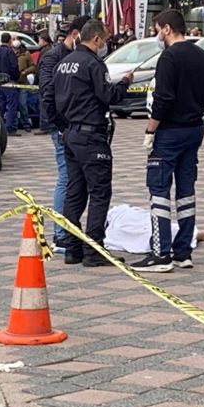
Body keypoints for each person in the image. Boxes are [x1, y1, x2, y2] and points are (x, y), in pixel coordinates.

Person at [130, 9, 204, 272]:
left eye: (157, 30)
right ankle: (183, 252)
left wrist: (150, 130)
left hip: (169, 132)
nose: (157, 35)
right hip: (194, 129)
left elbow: (163, 98)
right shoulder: (203, 55)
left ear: (167, 29)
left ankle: (161, 254)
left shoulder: (168, 57)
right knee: (186, 190)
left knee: (159, 189)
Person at [50, 20, 133, 266]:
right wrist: (125, 82)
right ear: (96, 39)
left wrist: (62, 127)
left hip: (70, 135)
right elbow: (108, 96)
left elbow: (50, 99)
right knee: (99, 192)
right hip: (91, 135)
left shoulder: (63, 64)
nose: (105, 44)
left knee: (75, 192)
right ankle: (94, 249)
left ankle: (72, 247)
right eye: (104, 40)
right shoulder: (93, 63)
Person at [38, 15, 90, 251]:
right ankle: (60, 234)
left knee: (76, 177)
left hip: (77, 124)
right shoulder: (53, 57)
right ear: (76, 34)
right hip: (62, 125)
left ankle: (68, 230)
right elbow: (48, 92)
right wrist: (59, 124)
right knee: (66, 175)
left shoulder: (80, 56)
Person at [0, 32, 21, 136]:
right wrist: (15, 77)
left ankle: (0, 127)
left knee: (1, 105)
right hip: (9, 82)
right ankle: (9, 128)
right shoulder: (10, 52)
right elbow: (14, 67)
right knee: (12, 105)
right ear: (9, 40)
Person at [14, 40, 36, 133]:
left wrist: (25, 72)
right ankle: (14, 125)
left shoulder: (26, 54)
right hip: (12, 82)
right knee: (13, 105)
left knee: (23, 104)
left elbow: (33, 67)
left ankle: (26, 123)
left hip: (23, 82)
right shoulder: (10, 54)